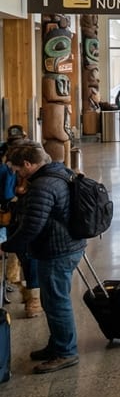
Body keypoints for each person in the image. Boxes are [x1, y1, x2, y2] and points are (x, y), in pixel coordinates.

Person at [0, 140, 84, 373]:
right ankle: (58, 343)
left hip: (58, 250)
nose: (17, 174)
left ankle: (66, 352)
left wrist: (7, 246)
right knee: (52, 300)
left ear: (27, 164)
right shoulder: (60, 171)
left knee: (57, 302)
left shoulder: (42, 186)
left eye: (17, 170)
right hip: (68, 244)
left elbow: (31, 227)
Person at [0, 126, 41, 318]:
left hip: (25, 213)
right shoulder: (6, 160)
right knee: (22, 255)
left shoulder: (33, 159)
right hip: (11, 213)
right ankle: (28, 293)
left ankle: (33, 297)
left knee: (28, 256)